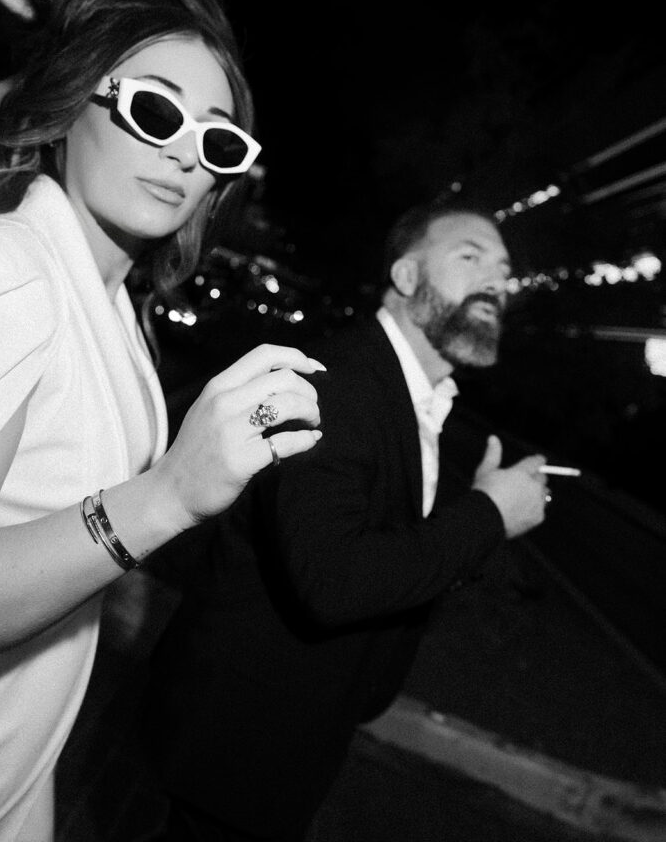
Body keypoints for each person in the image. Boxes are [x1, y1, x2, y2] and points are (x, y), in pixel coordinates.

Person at [0, 0, 325, 842]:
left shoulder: (110, 302)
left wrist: (29, 805)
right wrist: (168, 493)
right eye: (153, 109)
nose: (182, 154)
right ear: (72, 99)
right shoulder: (10, 276)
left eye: (214, 138)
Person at [143, 200, 551, 842]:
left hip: (290, 742)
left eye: (503, 270)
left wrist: (477, 518)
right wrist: (490, 513)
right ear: (408, 276)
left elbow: (389, 555)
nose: (496, 283)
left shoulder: (417, 399)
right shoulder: (338, 384)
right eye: (470, 258)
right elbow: (333, 578)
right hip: (235, 749)